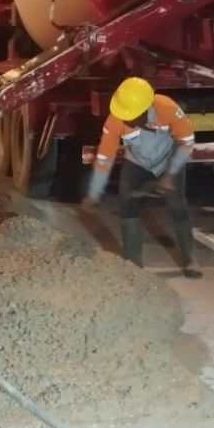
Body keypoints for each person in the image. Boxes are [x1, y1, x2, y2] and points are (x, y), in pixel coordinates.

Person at [81, 77, 201, 278]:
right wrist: (94, 194)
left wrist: (170, 174)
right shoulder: (115, 119)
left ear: (147, 108)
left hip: (168, 160)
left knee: (177, 204)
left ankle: (190, 259)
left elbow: (187, 141)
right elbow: (104, 158)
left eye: (131, 116)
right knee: (127, 203)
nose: (126, 119)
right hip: (136, 163)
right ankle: (133, 264)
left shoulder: (167, 108)